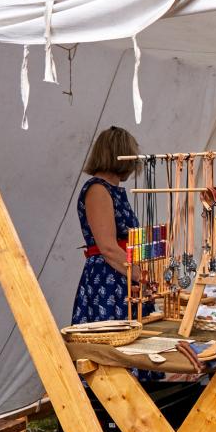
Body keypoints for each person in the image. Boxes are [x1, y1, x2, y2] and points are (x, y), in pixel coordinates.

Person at [72, 126, 148, 324]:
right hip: (109, 281)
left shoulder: (112, 190)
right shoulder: (98, 190)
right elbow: (108, 248)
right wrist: (143, 276)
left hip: (123, 275)